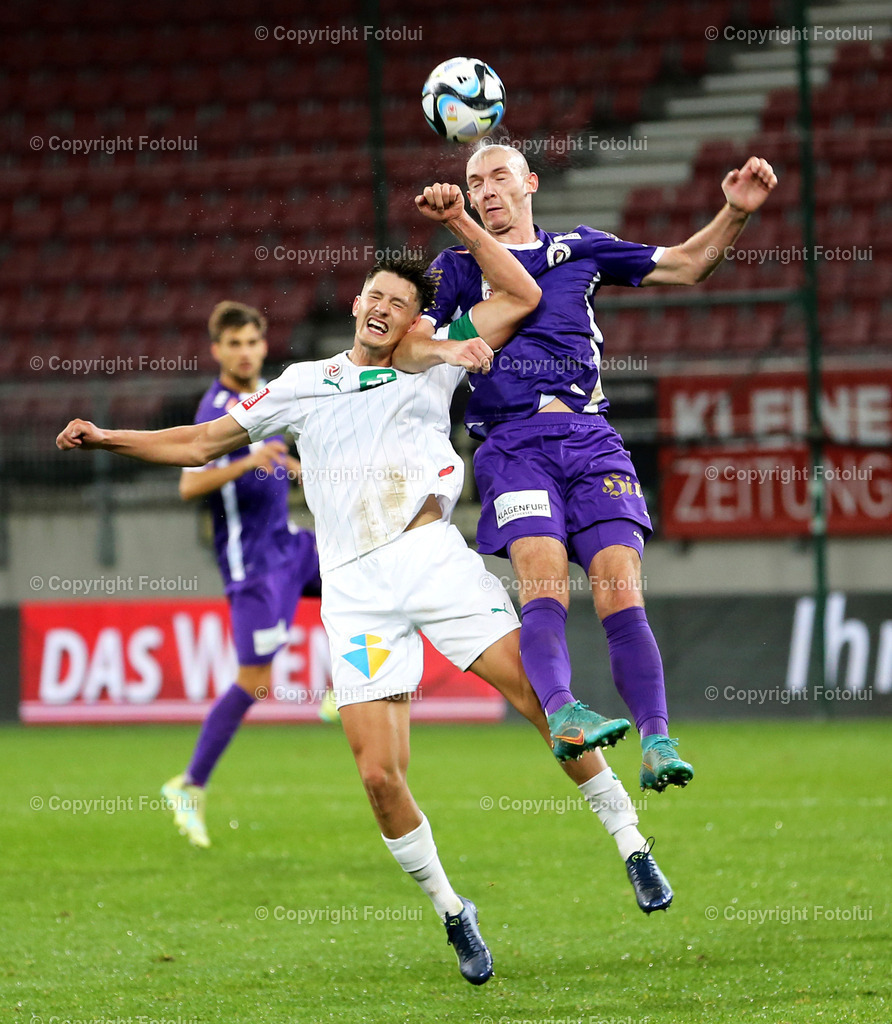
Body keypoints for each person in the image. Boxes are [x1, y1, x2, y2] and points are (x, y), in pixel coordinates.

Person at [57, 190, 672, 985]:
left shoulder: (432, 357)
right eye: (374, 296)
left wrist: (457, 275)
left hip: (433, 563)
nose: (384, 308)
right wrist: (107, 437)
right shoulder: (303, 383)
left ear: (417, 319)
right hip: (355, 593)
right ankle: (452, 908)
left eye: (400, 303)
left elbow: (521, 294)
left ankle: (631, 843)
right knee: (380, 777)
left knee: (543, 705)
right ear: (355, 305)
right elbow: (202, 441)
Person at [395, 144, 778, 793]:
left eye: (498, 177)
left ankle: (656, 740)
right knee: (543, 583)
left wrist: (735, 213)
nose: (485, 190)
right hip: (512, 445)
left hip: (591, 440)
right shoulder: (456, 266)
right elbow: (407, 345)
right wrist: (450, 346)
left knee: (620, 590)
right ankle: (564, 712)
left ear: (530, 183)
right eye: (474, 182)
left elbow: (687, 264)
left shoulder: (580, 247)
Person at [160, 301, 324, 849]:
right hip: (253, 566)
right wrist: (246, 461)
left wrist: (292, 467)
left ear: (263, 343)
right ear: (217, 351)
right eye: (234, 344)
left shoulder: (266, 397)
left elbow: (272, 455)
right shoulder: (215, 411)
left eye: (252, 341)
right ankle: (189, 784)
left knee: (369, 576)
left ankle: (348, 688)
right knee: (255, 681)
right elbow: (188, 485)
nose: (246, 352)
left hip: (289, 545)